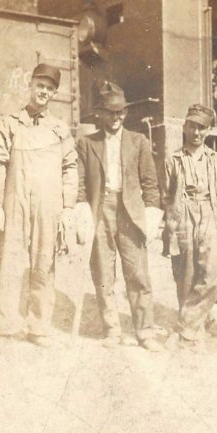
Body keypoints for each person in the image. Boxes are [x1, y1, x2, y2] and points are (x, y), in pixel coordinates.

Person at [0, 63, 78, 348]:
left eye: (50, 89)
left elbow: (70, 167)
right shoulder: (10, 123)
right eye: (40, 86)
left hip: (49, 207)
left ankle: (38, 327)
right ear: (31, 85)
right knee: (10, 263)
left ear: (55, 93)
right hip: (15, 203)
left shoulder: (60, 129)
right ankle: (7, 329)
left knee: (43, 264)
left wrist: (69, 207)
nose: (44, 92)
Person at [75, 88, 164, 352]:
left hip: (131, 212)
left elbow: (150, 182)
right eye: (110, 112)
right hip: (101, 209)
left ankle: (145, 331)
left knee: (137, 273)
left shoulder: (139, 142)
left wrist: (151, 212)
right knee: (103, 272)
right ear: (100, 114)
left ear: (125, 113)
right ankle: (112, 330)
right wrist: (82, 207)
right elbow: (80, 182)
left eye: (120, 112)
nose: (116, 117)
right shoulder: (87, 143)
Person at [161, 105, 217, 351]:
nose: (196, 132)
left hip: (211, 214)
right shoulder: (173, 160)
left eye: (201, 127)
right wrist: (174, 219)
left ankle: (183, 328)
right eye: (192, 125)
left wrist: (209, 214)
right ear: (184, 127)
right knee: (185, 274)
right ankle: (194, 334)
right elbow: (166, 193)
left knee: (213, 274)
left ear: (208, 130)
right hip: (182, 214)